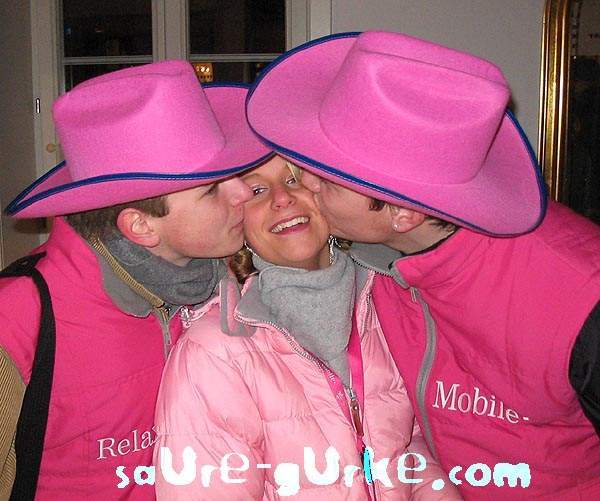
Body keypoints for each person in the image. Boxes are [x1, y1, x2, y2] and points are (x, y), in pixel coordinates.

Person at [245, 31, 600, 499]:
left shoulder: (580, 296)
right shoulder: (372, 262)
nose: (305, 181)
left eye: (327, 179)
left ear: (402, 213)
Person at [0, 61, 271, 499]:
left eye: (233, 176)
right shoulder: (18, 315)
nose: (242, 193)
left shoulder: (229, 283)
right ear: (141, 226)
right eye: (212, 189)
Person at [153, 155, 460, 500]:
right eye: (257, 190)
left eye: (293, 180)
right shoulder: (216, 350)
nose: (282, 198)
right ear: (239, 221)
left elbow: (410, 447)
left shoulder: (389, 301)